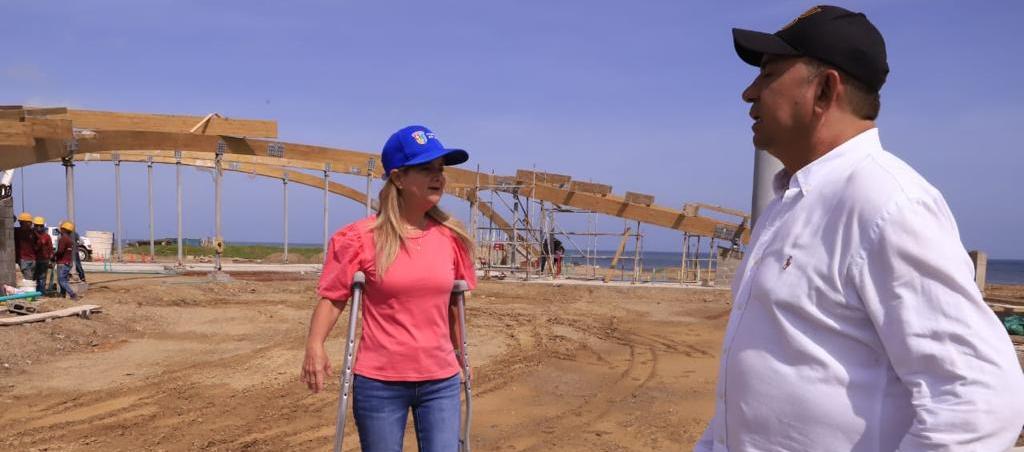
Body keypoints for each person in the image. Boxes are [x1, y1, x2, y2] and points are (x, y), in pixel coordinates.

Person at [696, 5, 1024, 451]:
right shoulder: (786, 205)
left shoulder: (886, 203)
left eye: (769, 74)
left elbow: (981, 399)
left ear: (824, 91)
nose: (749, 93)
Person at [301, 125, 476, 452]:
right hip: (380, 382)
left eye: (440, 169)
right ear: (397, 178)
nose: (438, 177)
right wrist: (315, 344)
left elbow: (456, 305)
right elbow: (334, 297)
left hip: (440, 380)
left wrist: (459, 358)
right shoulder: (359, 239)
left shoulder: (452, 238)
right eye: (426, 169)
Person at [53, 221, 79, 300]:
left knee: (62, 280)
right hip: (68, 262)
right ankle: (62, 295)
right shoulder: (70, 240)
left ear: (63, 229)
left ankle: (72, 294)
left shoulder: (63, 239)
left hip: (63, 263)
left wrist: (53, 255)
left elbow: (60, 251)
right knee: (63, 279)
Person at [31, 216, 53, 295]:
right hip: (34, 259)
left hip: (43, 260)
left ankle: (41, 292)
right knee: (34, 277)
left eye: (40, 226)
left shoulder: (46, 237)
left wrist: (50, 259)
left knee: (42, 278)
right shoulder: (32, 235)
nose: (38, 228)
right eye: (37, 226)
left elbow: (50, 248)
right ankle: (35, 292)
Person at [13, 212, 36, 281]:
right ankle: (31, 290)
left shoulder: (33, 232)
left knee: (31, 278)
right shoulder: (16, 231)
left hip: (32, 259)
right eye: (29, 222)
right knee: (29, 278)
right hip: (24, 259)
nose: (31, 224)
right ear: (23, 222)